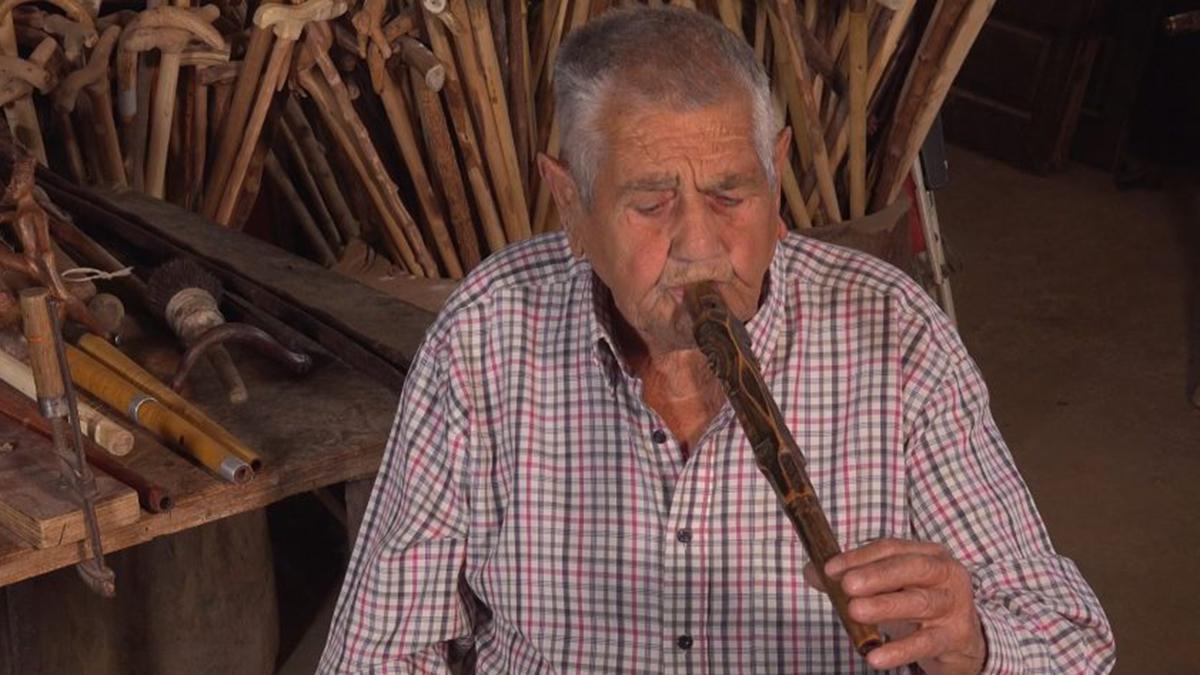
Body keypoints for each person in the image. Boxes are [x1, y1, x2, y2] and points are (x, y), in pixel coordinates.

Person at [319, 7, 1114, 674]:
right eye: (651, 203)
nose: (700, 246)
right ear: (570, 201)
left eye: (731, 193)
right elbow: (380, 649)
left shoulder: (893, 334)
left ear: (776, 175)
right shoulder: (487, 330)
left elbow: (1073, 642)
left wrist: (972, 644)